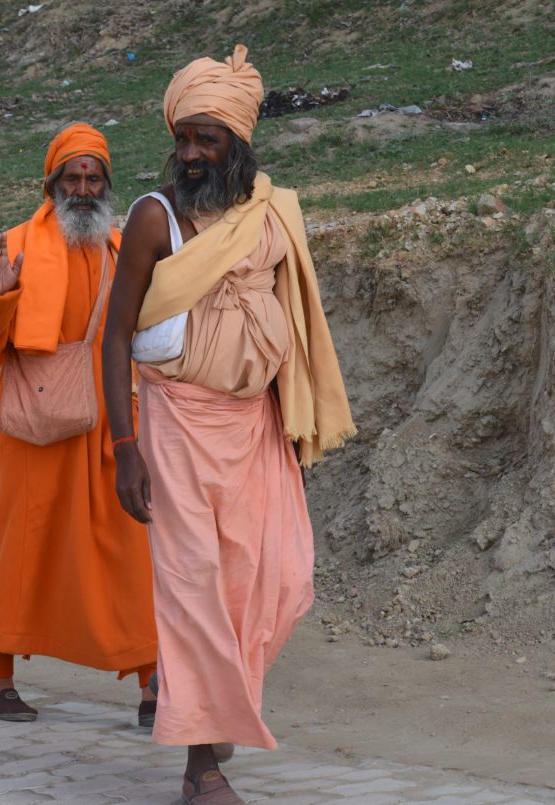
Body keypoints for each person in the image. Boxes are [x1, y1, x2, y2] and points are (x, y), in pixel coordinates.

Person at [102, 47, 355, 804]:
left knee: (277, 581)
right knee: (196, 591)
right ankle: (200, 764)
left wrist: (296, 423)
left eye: (206, 138)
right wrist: (125, 448)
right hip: (177, 425)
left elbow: (295, 326)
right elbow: (114, 337)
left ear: (237, 144)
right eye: (182, 137)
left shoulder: (271, 213)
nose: (189, 153)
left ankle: (216, 716)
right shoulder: (156, 216)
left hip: (257, 427)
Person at [0, 123, 158, 725]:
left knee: (130, 548)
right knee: (24, 549)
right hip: (36, 428)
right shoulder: (15, 246)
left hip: (113, 425)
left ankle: (153, 683)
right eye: (72, 177)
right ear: (51, 184)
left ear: (107, 185)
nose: (83, 188)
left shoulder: (123, 248)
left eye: (93, 178)